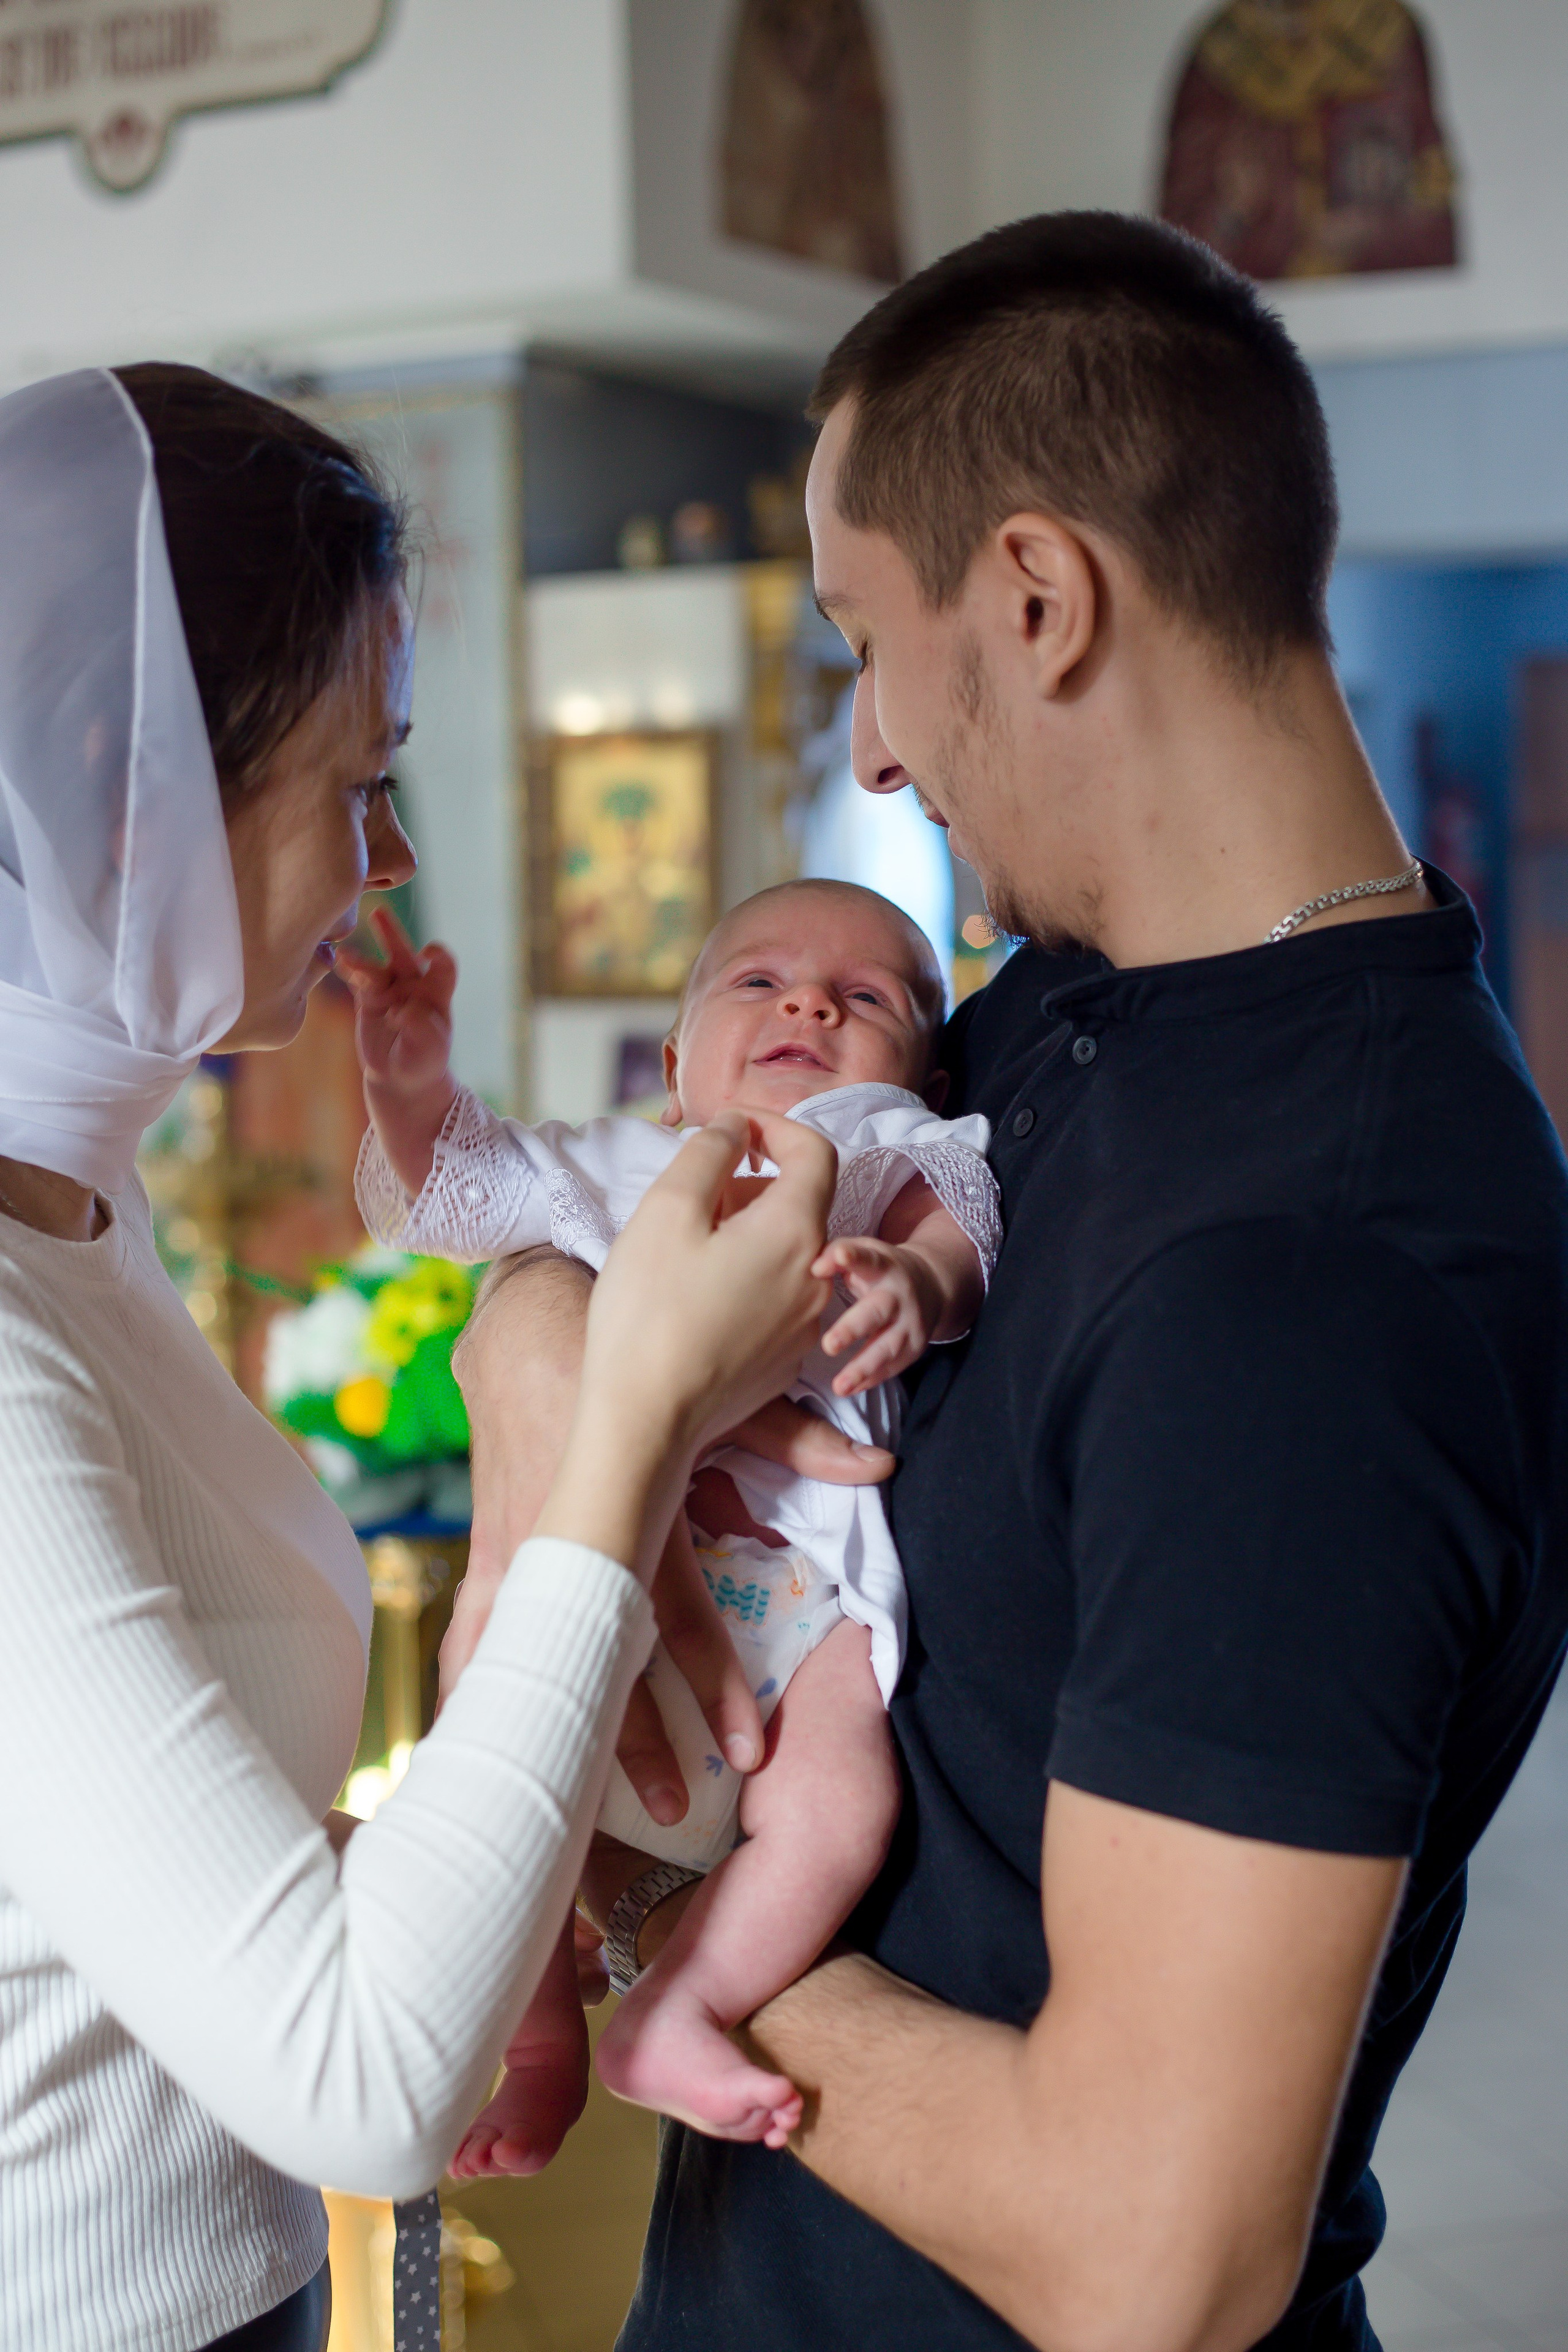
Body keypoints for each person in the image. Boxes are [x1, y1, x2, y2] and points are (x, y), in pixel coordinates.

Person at [460, 213, 1568, 2352]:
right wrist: (545, 1382)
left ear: (1040, 602)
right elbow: (673, 1213)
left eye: (867, 637)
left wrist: (663, 1928)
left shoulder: (1314, 1283)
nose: (873, 751)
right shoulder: (1063, 1013)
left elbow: (1151, 2258)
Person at [0, 363, 851, 2352]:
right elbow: (357, 2079)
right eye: (355, 785)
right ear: (139, 800)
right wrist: (626, 1419)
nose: (385, 868)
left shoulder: (81, 1219)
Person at [345, 877, 1000, 2169]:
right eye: (756, 982)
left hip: (807, 1586)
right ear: (675, 1060)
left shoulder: (888, 1162)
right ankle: (539, 2044)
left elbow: (961, 1239)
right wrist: (410, 1090)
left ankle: (676, 2009)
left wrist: (912, 1282)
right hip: (607, 1557)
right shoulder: (616, 1162)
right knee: (501, 1731)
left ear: (920, 1077)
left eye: (866, 1000)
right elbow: (451, 1195)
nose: (809, 1000)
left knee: (837, 1804)